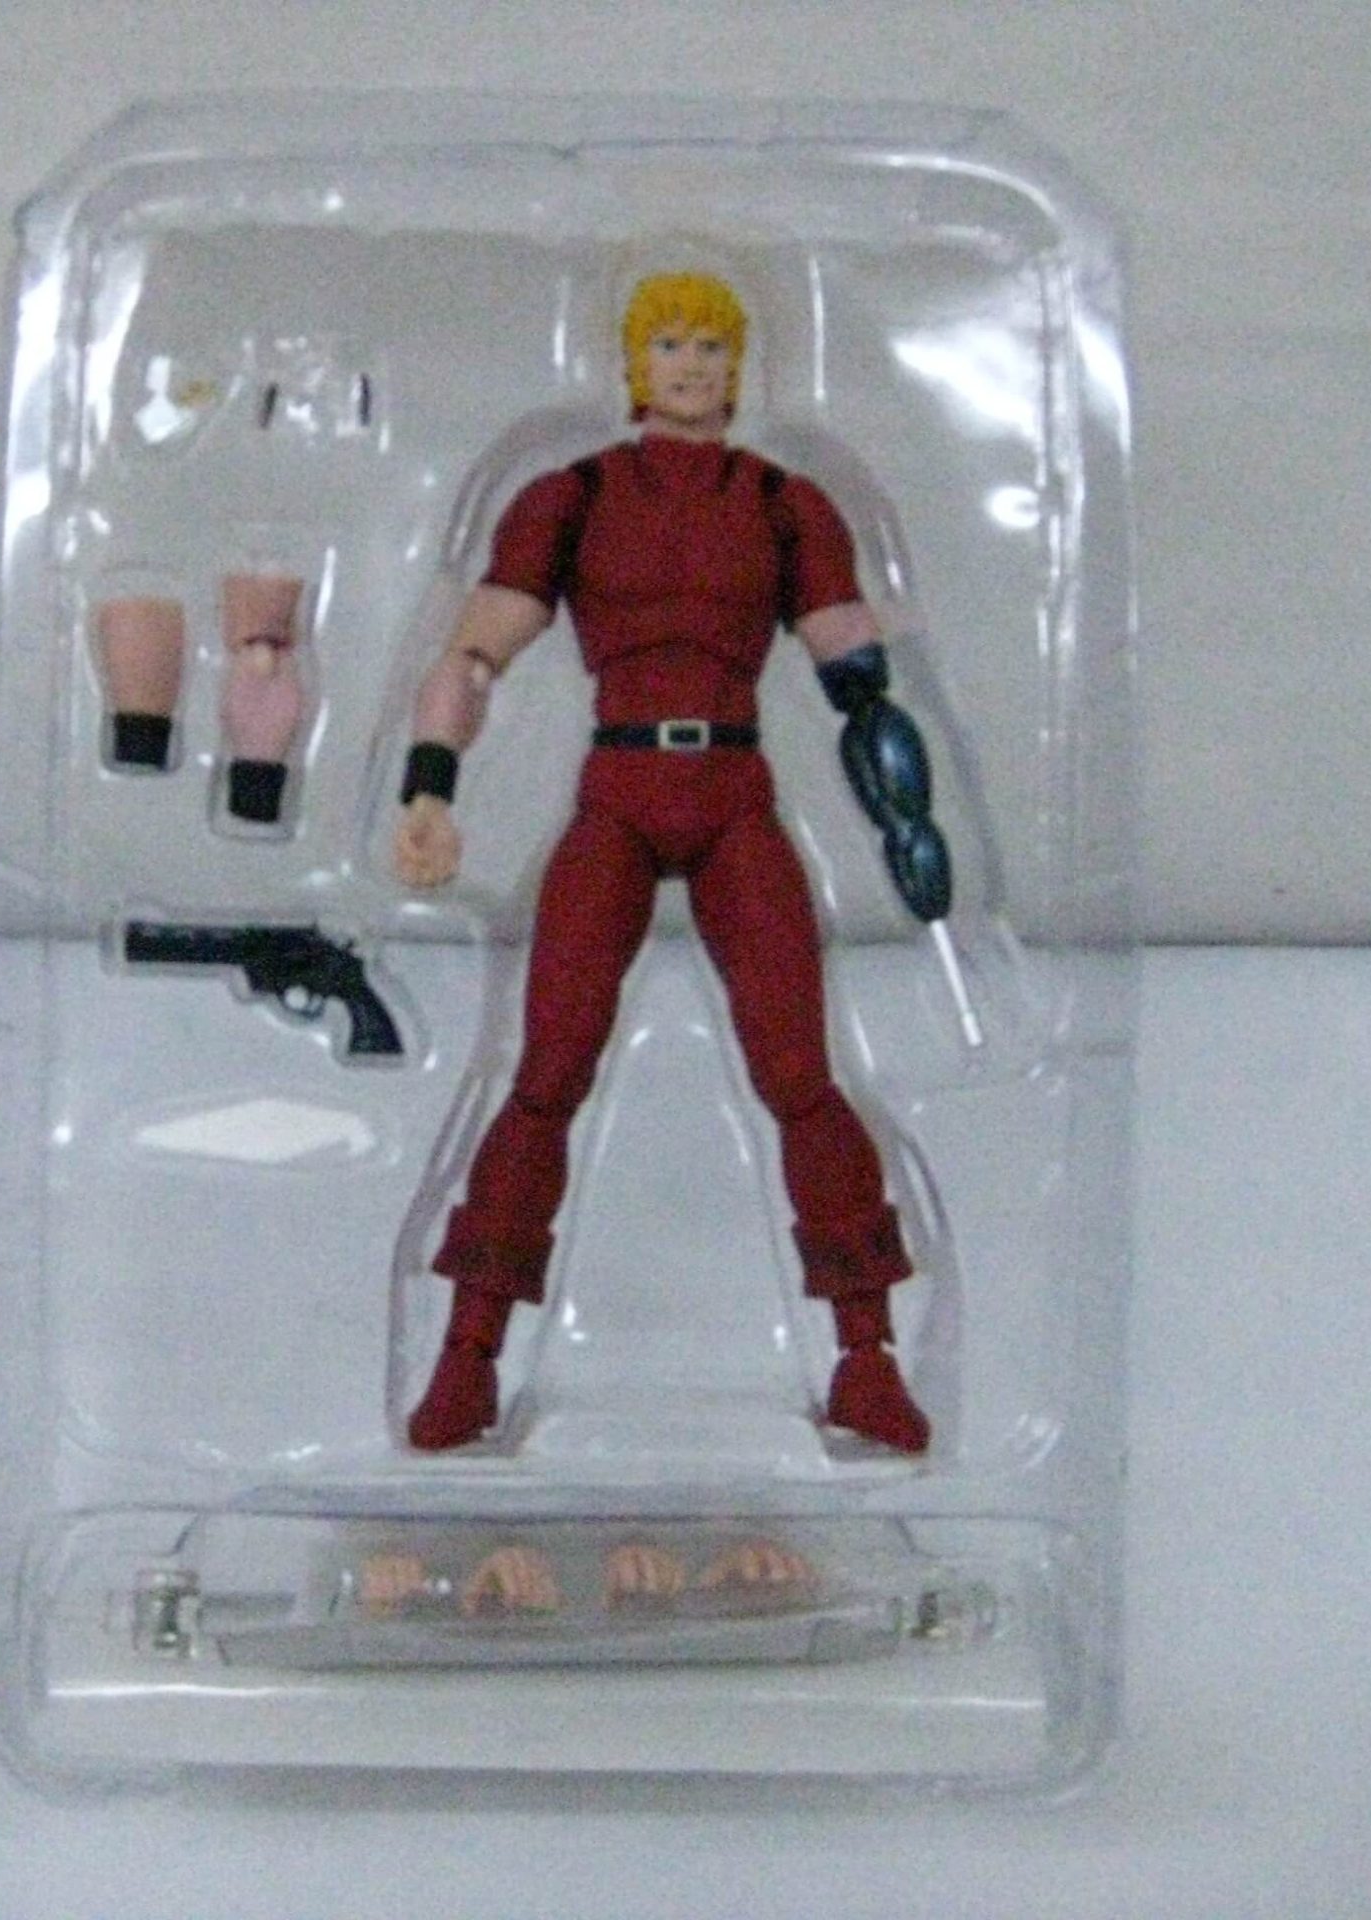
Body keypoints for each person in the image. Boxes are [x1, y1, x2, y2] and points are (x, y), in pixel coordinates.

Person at [391, 271, 931, 1455]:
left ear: (738, 366)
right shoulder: (571, 497)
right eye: (671, 345)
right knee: (548, 1070)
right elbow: (472, 655)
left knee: (799, 1074)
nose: (692, 365)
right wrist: (427, 786)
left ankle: (868, 1358)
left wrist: (908, 824)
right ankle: (466, 1356)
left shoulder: (786, 503)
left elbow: (857, 686)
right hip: (620, 792)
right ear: (635, 363)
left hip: (734, 793)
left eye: (711, 347)